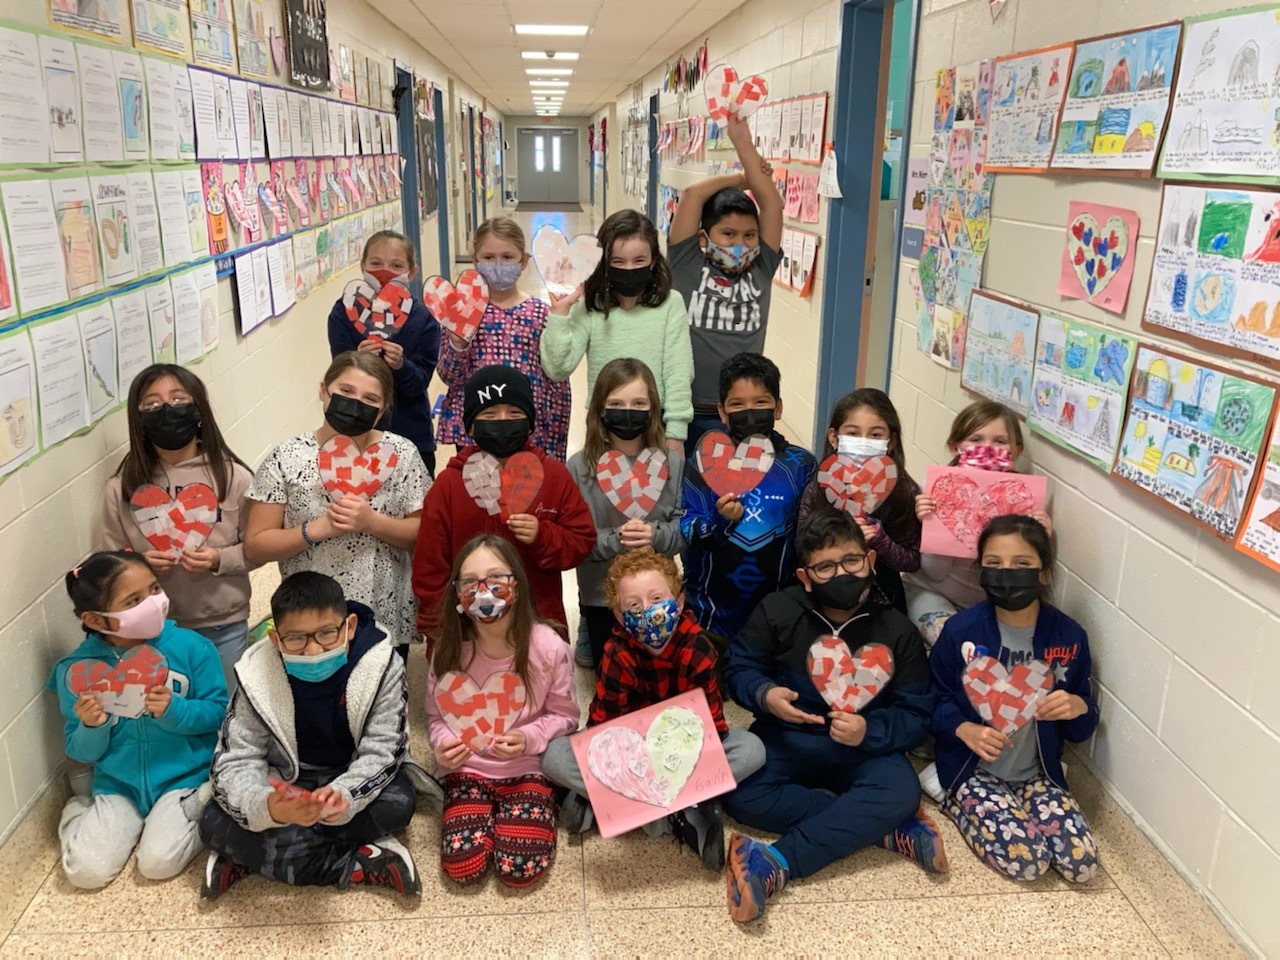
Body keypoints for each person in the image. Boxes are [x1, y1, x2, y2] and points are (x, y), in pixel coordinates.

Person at [721, 512, 945, 924]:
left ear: (871, 563)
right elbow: (736, 668)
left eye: (852, 561)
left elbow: (917, 713)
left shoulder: (897, 629)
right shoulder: (778, 609)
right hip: (785, 737)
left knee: (899, 793)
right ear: (806, 576)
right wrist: (764, 695)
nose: (842, 573)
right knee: (738, 792)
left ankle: (774, 862)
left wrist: (869, 730)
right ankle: (881, 828)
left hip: (866, 748)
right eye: (826, 567)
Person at [199, 571, 433, 899]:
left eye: (326, 633)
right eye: (296, 639)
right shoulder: (256, 671)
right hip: (283, 782)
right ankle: (360, 863)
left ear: (349, 627)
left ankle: (254, 856)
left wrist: (345, 796)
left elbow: (384, 750)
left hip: (346, 776)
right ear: (276, 639)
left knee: (399, 803)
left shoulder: (381, 664)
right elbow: (236, 757)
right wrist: (269, 807)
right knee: (210, 820)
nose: (312, 650)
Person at [541, 549, 766, 871]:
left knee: (751, 749)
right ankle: (683, 811)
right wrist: (635, 763)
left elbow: (714, 725)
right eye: (634, 605)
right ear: (619, 616)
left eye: (657, 597)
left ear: (679, 601)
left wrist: (677, 764)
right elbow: (601, 728)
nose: (649, 611)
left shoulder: (699, 647)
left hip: (684, 753)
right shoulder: (617, 652)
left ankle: (608, 804)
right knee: (554, 755)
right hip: (631, 754)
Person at [930, 515, 1099, 883]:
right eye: (994, 564)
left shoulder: (1069, 636)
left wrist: (1079, 706)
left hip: (1038, 774)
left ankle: (1015, 806)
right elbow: (934, 699)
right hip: (974, 770)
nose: (1008, 574)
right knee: (1028, 863)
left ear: (1045, 573)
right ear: (980, 571)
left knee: (1081, 864)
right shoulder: (960, 632)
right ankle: (955, 802)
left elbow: (1081, 728)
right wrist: (964, 729)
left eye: (1022, 564)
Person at [48, 551, 227, 889]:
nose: (154, 602)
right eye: (133, 600)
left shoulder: (192, 648)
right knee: (86, 873)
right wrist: (93, 725)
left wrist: (175, 711)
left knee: (158, 863)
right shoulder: (78, 671)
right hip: (119, 784)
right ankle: (80, 808)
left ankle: (207, 799)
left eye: (155, 588)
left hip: (183, 779)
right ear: (97, 620)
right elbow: (80, 751)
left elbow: (217, 712)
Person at [245, 351, 429, 656]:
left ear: (383, 408)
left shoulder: (402, 454)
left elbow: (424, 533)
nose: (356, 403)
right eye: (346, 391)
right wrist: (315, 530)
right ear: (323, 390)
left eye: (371, 398)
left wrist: (373, 522)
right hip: (310, 616)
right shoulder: (287, 458)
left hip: (383, 607)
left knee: (383, 693)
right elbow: (256, 545)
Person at [426, 535, 578, 888]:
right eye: (470, 582)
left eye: (496, 579)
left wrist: (528, 738)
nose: (483, 592)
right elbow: (436, 717)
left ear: (518, 586)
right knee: (463, 867)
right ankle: (484, 815)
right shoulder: (448, 650)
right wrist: (443, 743)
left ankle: (533, 807)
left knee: (521, 867)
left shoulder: (548, 647)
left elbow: (566, 716)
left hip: (529, 769)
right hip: (466, 771)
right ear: (457, 595)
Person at [412, 365, 595, 646]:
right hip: (467, 630)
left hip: (539, 626)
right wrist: (438, 631)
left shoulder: (555, 476)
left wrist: (542, 536)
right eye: (489, 414)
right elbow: (430, 565)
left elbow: (581, 540)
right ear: (471, 425)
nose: (502, 420)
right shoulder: (448, 485)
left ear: (530, 422)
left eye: (514, 413)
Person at [103, 364, 256, 693]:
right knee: (172, 716)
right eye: (153, 405)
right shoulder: (122, 487)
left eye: (177, 399)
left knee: (228, 711)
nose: (166, 410)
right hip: (153, 630)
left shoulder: (233, 477)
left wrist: (218, 558)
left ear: (198, 410)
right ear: (139, 419)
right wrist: (142, 564)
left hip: (223, 622)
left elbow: (257, 548)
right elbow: (111, 561)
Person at [681, 352, 815, 650]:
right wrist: (719, 522)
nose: (750, 411)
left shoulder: (800, 464)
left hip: (778, 618)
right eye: (738, 404)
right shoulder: (704, 460)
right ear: (723, 412)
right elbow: (687, 529)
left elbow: (810, 536)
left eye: (761, 402)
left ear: (778, 408)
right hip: (709, 617)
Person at [667, 115, 784, 452]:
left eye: (749, 235)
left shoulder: (761, 267)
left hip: (741, 410)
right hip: (687, 409)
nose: (740, 244)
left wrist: (742, 142)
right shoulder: (687, 262)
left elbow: (772, 205)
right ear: (705, 237)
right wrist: (740, 178)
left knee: (737, 492)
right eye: (728, 234)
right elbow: (691, 194)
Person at [567, 358, 685, 669]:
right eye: (616, 403)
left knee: (656, 672)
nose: (628, 411)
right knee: (611, 674)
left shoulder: (671, 464)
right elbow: (577, 541)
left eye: (639, 403)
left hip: (657, 598)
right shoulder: (580, 467)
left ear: (653, 407)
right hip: (600, 597)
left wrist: (655, 536)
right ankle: (586, 629)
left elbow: (682, 530)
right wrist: (617, 539)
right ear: (600, 410)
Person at [540, 209, 693, 447]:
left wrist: (676, 433)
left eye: (639, 260)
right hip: (602, 428)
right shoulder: (591, 306)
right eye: (618, 262)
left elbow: (679, 373)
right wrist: (560, 313)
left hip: (654, 425)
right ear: (604, 264)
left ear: (653, 260)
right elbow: (557, 369)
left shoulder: (670, 304)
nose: (629, 268)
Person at [907, 400, 1054, 648]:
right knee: (954, 642)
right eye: (976, 439)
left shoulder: (1024, 497)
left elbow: (1027, 573)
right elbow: (935, 573)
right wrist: (932, 524)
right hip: (931, 591)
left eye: (999, 441)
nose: (987, 448)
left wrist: (1040, 539)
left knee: (1002, 646)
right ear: (956, 447)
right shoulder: (935, 490)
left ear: (1016, 451)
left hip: (991, 601)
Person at [437, 217, 572, 461]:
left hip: (526, 427)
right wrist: (458, 342)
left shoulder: (540, 314)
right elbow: (449, 376)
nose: (498, 264)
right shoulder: (462, 312)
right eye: (488, 257)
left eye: (508, 257)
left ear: (524, 260)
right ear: (475, 259)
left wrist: (553, 436)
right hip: (477, 428)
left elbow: (557, 380)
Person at [798, 388, 921, 616]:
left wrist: (880, 540)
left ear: (891, 441)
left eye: (875, 435)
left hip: (882, 599)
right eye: (853, 434)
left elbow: (912, 561)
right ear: (834, 438)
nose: (863, 442)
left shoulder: (905, 492)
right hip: (823, 594)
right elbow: (801, 545)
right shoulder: (821, 486)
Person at [328, 230, 442, 475]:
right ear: (363, 267)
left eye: (396, 265)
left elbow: (419, 382)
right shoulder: (344, 313)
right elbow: (337, 380)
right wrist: (355, 360)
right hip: (356, 431)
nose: (384, 272)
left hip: (411, 432)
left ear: (411, 273)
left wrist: (401, 365)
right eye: (376, 263)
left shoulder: (424, 318)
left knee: (416, 506)